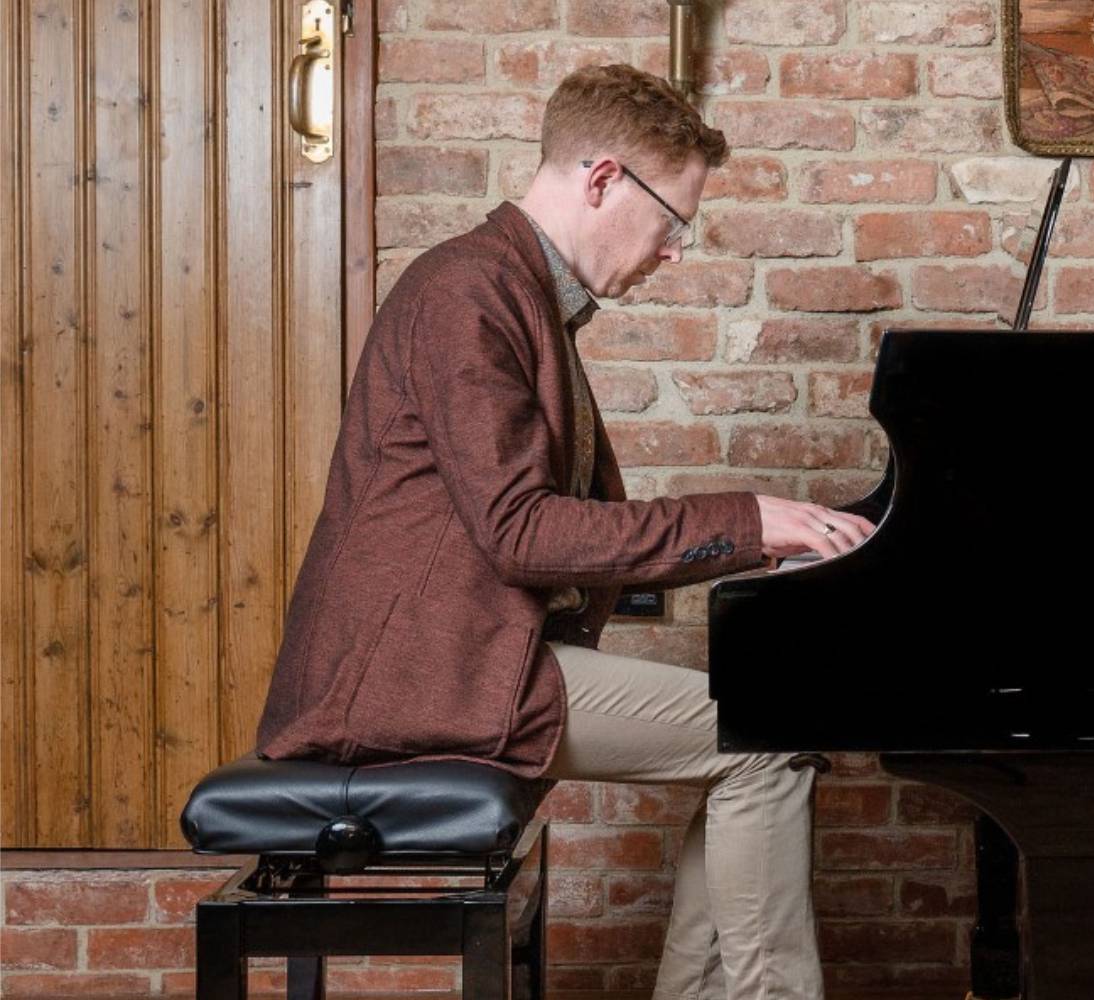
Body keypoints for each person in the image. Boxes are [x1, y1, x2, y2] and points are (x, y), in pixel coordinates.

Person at [252, 63, 868, 1000]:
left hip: (460, 655)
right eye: (674, 221)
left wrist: (746, 539)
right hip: (409, 678)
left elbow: (541, 533)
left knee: (759, 737)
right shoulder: (467, 289)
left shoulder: (509, 293)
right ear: (604, 178)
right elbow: (521, 533)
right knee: (765, 739)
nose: (674, 253)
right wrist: (744, 523)